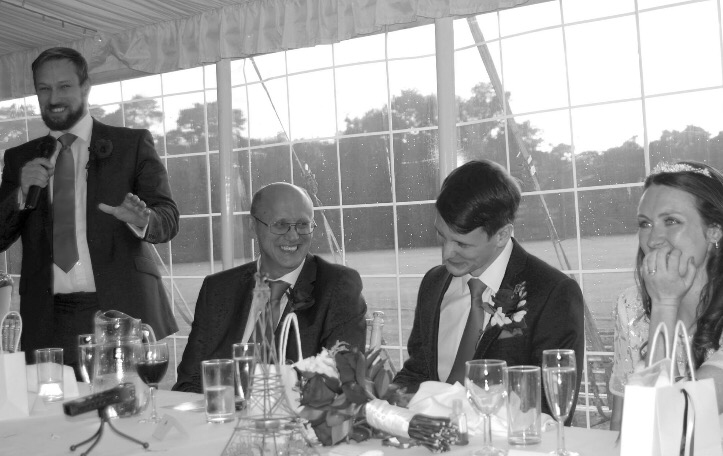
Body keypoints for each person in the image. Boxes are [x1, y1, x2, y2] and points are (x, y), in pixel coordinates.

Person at [0, 47, 179, 370]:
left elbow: (168, 218)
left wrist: (143, 219)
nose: (54, 98)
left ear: (85, 87)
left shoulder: (132, 144)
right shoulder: (19, 159)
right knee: (55, 403)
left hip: (123, 311)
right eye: (44, 88)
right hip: (48, 319)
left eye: (64, 86)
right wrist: (20, 195)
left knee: (127, 401)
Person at [393, 160, 585, 424]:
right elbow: (417, 373)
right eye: (441, 235)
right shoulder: (433, 284)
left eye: (462, 244)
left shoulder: (553, 294)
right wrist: (381, 398)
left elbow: (549, 408)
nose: (446, 254)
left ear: (502, 235)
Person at [173, 182, 367, 393]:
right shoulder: (218, 289)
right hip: (219, 411)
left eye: (303, 224)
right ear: (252, 226)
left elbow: (341, 382)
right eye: (280, 224)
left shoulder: (338, 287)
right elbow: (190, 381)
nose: (293, 236)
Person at [610, 160, 723, 430]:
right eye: (645, 223)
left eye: (671, 221)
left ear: (714, 230)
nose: (653, 240)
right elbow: (623, 423)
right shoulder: (632, 306)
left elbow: (676, 418)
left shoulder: (658, 302)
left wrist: (664, 303)